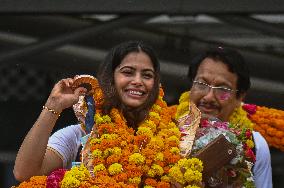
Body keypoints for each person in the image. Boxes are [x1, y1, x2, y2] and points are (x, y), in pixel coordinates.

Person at [13, 40, 161, 182]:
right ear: (109, 79)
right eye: (128, 72)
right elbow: (25, 173)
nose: (137, 81)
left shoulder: (175, 137)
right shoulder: (80, 135)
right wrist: (54, 105)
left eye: (147, 75)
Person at [186, 47, 272, 188]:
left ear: (240, 97)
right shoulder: (165, 133)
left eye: (223, 89)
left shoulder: (254, 144)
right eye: (201, 84)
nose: (208, 97)